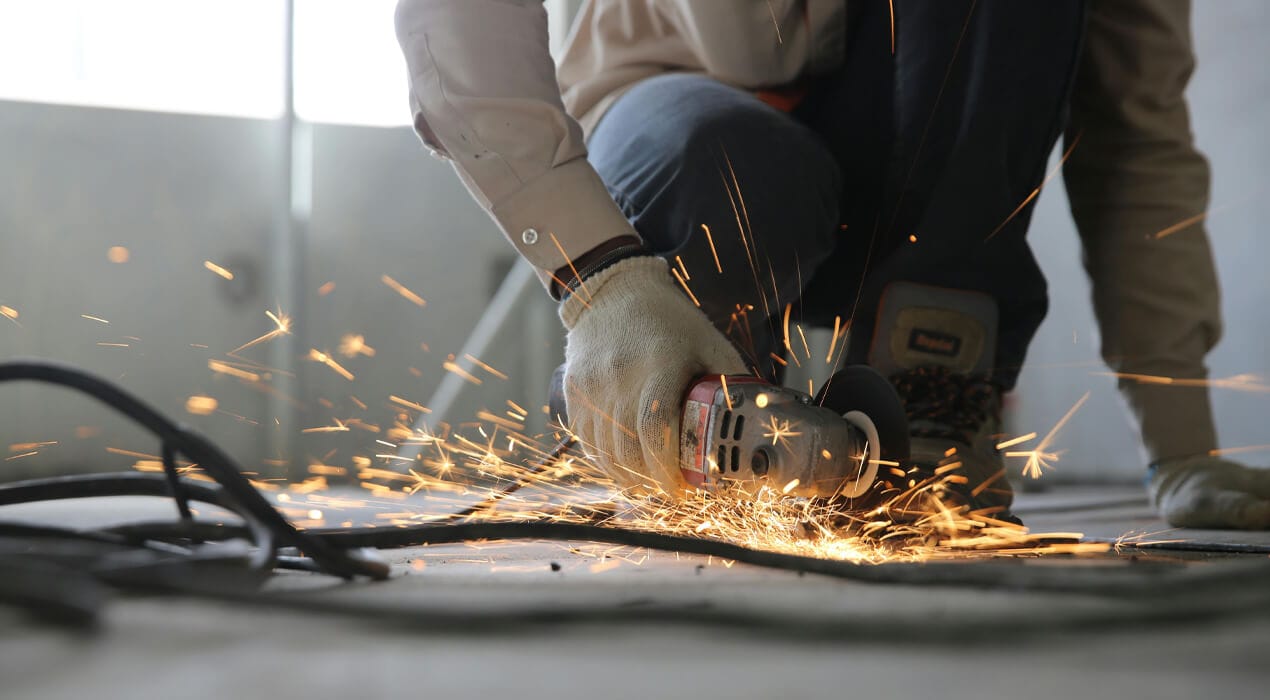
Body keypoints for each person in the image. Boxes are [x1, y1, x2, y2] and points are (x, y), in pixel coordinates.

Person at [395, 0, 1270, 528]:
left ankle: (931, 397)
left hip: (928, 193)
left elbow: (1135, 135)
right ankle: (681, 400)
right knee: (726, 159)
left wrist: (1180, 445)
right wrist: (601, 282)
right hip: (681, 131)